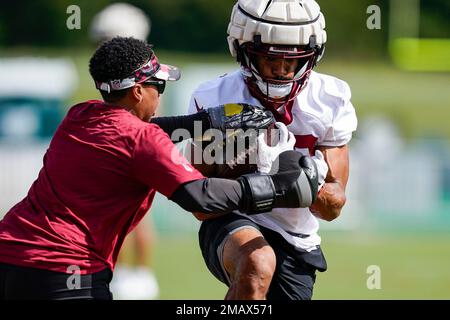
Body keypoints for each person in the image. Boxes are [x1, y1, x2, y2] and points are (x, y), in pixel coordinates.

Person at [0, 36, 319, 300]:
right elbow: (202, 197)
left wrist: (206, 120)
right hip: (66, 271)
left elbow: (131, 130)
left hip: (9, 252)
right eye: (159, 86)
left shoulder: (79, 115)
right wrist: (278, 188)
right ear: (138, 91)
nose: (160, 94)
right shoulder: (142, 140)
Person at [188, 0, 358, 300]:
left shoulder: (330, 98)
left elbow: (333, 207)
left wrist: (308, 187)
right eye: (270, 59)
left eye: (292, 61)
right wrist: (254, 176)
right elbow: (200, 206)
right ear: (243, 51)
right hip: (232, 219)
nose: (281, 70)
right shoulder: (214, 98)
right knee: (257, 263)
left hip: (296, 236)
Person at [90, 2, 158, 300]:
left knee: (137, 217)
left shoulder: (141, 79)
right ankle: (128, 273)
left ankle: (141, 274)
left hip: (131, 150)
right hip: (122, 148)